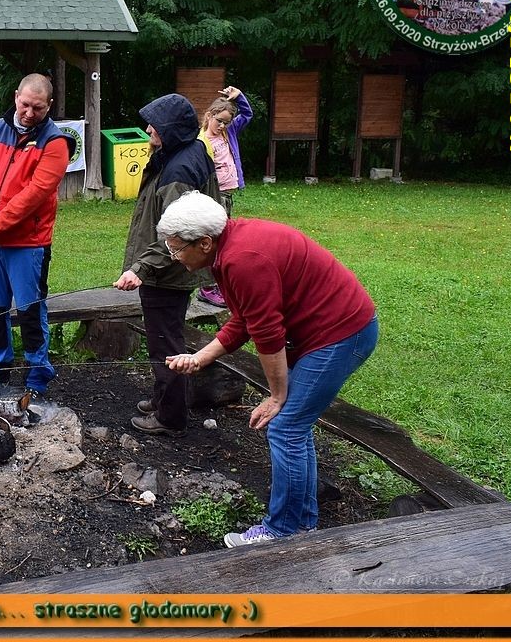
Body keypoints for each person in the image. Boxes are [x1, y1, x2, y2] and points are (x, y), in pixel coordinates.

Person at [162, 191, 378, 547]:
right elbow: (245, 319)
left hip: (340, 333)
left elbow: (267, 334)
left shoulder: (242, 260)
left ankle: (282, 530)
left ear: (204, 242)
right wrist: (201, 358)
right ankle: (302, 524)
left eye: (176, 250)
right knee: (294, 426)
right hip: (330, 332)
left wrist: (277, 396)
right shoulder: (229, 247)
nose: (174, 257)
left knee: (286, 427)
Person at [112, 94, 219, 436]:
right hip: (169, 268)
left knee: (165, 343)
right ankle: (163, 399)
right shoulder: (182, 153)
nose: (148, 131)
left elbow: (179, 234)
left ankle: (170, 417)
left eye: (154, 125)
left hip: (167, 271)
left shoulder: (180, 171)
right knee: (165, 336)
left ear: (171, 128)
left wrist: (140, 268)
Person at [0, 73, 73, 395]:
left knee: (30, 312)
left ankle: (37, 378)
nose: (29, 113)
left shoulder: (55, 143)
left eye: (37, 108)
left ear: (49, 105)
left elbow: (34, 196)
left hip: (28, 244)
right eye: (25, 105)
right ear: (15, 97)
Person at [197, 86, 253, 308]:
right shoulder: (201, 141)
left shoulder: (228, 133)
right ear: (209, 115)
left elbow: (247, 115)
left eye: (226, 122)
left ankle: (219, 284)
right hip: (213, 195)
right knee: (212, 241)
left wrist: (239, 97)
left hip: (227, 196)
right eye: (219, 121)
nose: (222, 126)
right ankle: (207, 287)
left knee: (223, 241)